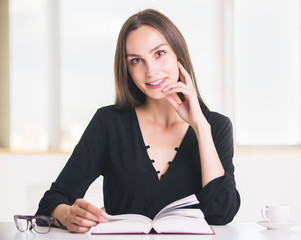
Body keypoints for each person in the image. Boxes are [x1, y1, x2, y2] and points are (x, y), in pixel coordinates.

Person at [36, 9, 240, 233]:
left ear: (178, 56)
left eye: (159, 54)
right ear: (127, 70)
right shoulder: (108, 123)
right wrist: (68, 214)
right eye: (136, 61)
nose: (150, 71)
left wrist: (200, 127)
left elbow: (222, 212)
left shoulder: (216, 127)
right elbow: (50, 203)